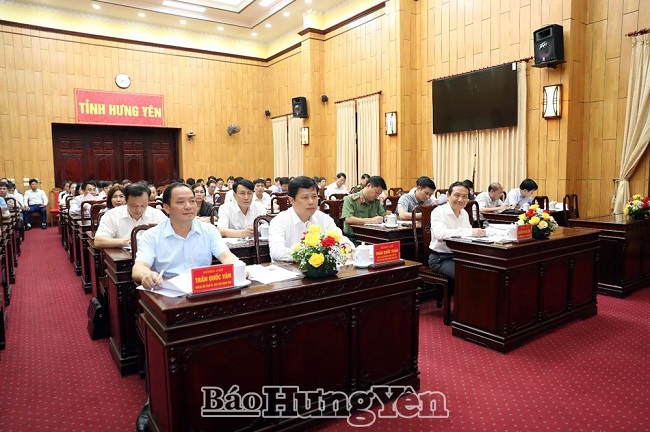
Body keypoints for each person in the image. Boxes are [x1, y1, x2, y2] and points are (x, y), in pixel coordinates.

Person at [132, 183, 242, 288]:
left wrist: (238, 267)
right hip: (168, 291)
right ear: (166, 207)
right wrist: (146, 274)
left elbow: (226, 256)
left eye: (192, 201)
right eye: (180, 202)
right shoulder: (151, 235)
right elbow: (139, 267)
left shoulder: (209, 230)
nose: (188, 206)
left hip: (202, 288)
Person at [268, 176, 353, 262]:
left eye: (314, 196)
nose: (311, 202)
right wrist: (310, 255)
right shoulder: (279, 221)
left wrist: (347, 245)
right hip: (288, 269)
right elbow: (276, 252)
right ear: (291, 200)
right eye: (305, 197)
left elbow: (341, 239)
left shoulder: (324, 219)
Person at [429, 181, 485, 279]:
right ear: (448, 195)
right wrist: (470, 232)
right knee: (466, 276)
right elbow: (440, 234)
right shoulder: (438, 212)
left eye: (464, 196)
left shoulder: (464, 213)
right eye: (457, 195)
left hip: (461, 256)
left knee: (486, 271)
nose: (460, 200)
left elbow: (468, 236)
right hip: (441, 258)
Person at [94, 182, 168, 249]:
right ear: (126, 200)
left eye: (143, 205)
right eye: (134, 205)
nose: (139, 209)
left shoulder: (157, 214)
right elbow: (98, 241)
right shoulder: (112, 215)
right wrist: (125, 242)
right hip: (123, 256)